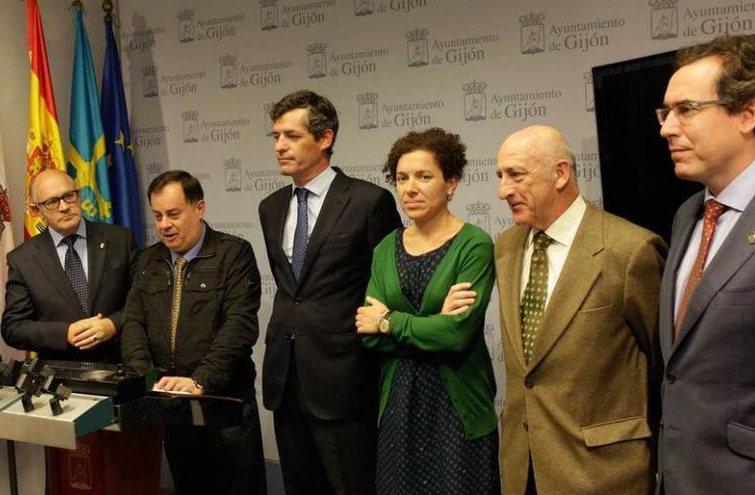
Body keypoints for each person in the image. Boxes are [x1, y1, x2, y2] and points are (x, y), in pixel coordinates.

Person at [494, 125, 666, 494]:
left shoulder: (630, 250)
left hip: (604, 473)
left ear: (560, 173)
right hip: (522, 470)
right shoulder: (506, 248)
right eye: (500, 176)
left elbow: (663, 367)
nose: (503, 190)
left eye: (516, 175)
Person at [259, 89, 402, 495]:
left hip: (344, 379)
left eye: (291, 135)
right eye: (275, 136)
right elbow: (294, 290)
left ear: (325, 138)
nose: (280, 146)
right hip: (286, 378)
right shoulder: (270, 207)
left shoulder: (368, 201)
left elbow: (387, 288)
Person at [356, 128, 500, 494]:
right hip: (398, 407)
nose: (410, 188)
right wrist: (431, 325)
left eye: (424, 176)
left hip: (456, 409)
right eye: (402, 178)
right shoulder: (386, 247)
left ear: (451, 183)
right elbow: (367, 336)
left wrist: (389, 322)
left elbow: (456, 335)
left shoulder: (475, 244)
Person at [657, 34, 755, 494]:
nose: (666, 128)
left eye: (687, 110)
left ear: (748, 113)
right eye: (666, 113)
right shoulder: (687, 215)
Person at [121, 170, 266, 495]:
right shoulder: (146, 260)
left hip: (223, 402)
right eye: (157, 216)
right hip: (171, 404)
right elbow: (132, 324)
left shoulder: (233, 253)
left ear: (199, 208)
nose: (164, 225)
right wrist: (147, 380)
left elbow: (239, 325)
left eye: (173, 214)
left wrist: (201, 380)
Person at [2, 169, 137, 363]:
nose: (64, 207)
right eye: (52, 202)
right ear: (35, 210)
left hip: (120, 363)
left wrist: (112, 324)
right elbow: (13, 328)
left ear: (79, 195)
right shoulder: (23, 259)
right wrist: (65, 333)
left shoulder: (120, 240)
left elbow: (144, 303)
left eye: (69, 196)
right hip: (61, 374)